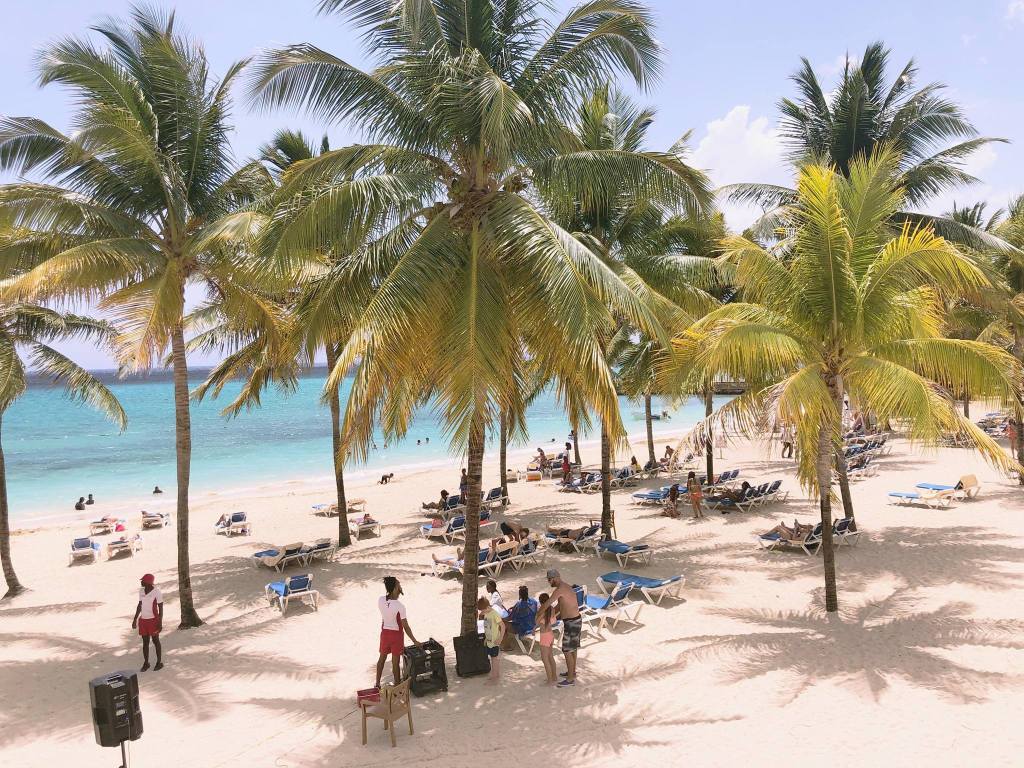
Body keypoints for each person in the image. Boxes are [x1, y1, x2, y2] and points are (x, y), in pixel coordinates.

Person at [375, 576, 420, 690]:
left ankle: (377, 684)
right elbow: (405, 626)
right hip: (396, 636)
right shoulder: (400, 606)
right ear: (395, 588)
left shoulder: (380, 600)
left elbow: (386, 615)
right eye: (399, 584)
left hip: (385, 633)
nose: (400, 586)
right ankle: (397, 686)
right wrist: (415, 641)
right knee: (395, 663)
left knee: (381, 659)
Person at [546, 569, 581, 687]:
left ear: (555, 578)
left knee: (566, 650)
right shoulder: (566, 587)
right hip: (575, 620)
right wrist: (550, 615)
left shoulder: (559, 590)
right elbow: (558, 607)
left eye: (549, 580)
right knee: (573, 648)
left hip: (571, 622)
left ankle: (570, 680)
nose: (549, 582)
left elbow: (547, 604)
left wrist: (540, 614)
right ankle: (572, 672)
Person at [131, 574, 164, 671]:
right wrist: (135, 619)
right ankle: (146, 663)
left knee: (155, 641)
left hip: (153, 620)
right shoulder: (141, 591)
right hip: (143, 620)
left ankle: (159, 662)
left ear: (148, 582)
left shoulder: (157, 592)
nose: (141, 582)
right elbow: (140, 605)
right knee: (145, 642)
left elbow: (161, 608)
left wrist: (160, 623)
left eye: (143, 581)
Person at [478, 596, 505, 684]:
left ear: (487, 607)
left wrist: (500, 638)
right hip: (489, 640)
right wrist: (486, 638)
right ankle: (495, 675)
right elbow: (488, 627)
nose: (482, 612)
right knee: (493, 658)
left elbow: (503, 626)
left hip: (495, 641)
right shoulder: (486, 613)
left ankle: (495, 677)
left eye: (483, 610)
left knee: (494, 659)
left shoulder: (494, 614)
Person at [536, 592, 557, 684]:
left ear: (541, 602)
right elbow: (553, 620)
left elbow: (536, 621)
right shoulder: (552, 609)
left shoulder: (543, 611)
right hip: (551, 634)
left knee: (545, 659)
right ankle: (554, 676)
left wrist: (540, 613)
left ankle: (550, 680)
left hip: (545, 636)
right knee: (550, 657)